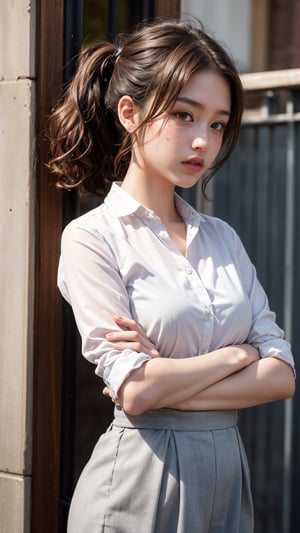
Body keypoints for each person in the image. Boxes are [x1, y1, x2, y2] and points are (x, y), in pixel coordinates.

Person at [49, 18, 295, 533]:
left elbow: (282, 376)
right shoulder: (92, 238)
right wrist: (237, 355)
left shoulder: (223, 238)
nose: (203, 142)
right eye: (185, 115)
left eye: (217, 124)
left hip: (226, 482)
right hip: (138, 484)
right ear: (130, 113)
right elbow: (135, 390)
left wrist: (166, 383)